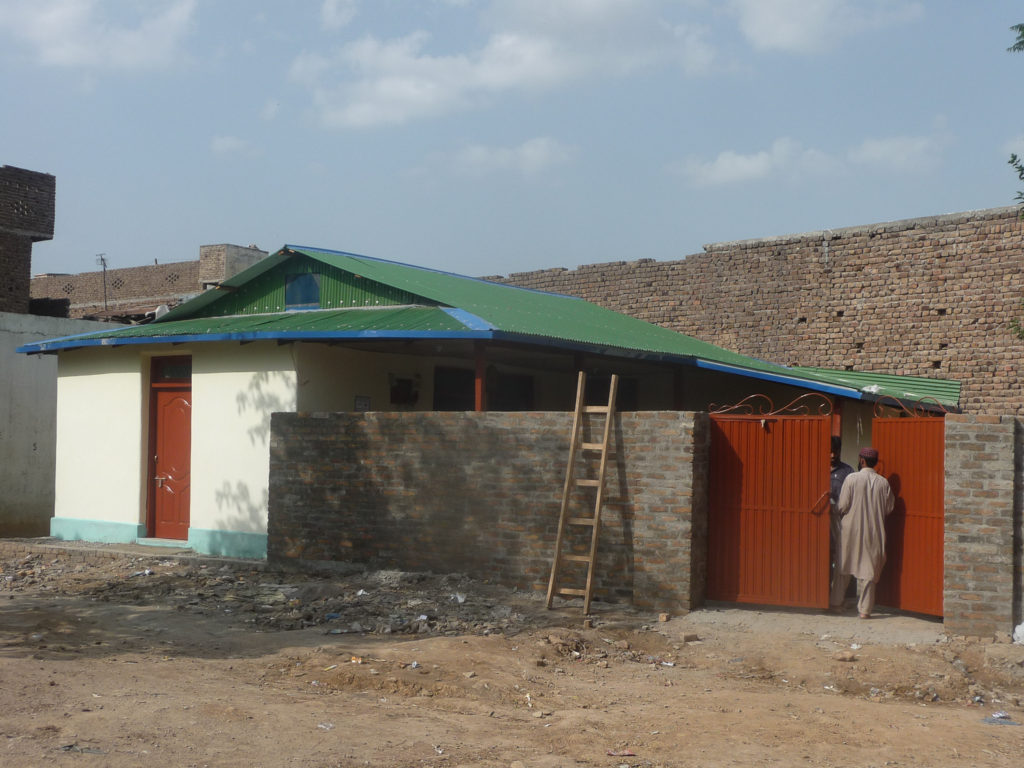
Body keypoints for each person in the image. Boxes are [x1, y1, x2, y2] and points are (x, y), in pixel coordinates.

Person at [829, 446, 895, 618]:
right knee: (869, 572)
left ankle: (836, 603)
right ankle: (865, 611)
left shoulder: (851, 479)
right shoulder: (883, 483)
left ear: (862, 460)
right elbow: (889, 508)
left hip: (850, 530)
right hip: (874, 532)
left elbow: (842, 506)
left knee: (843, 566)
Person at [828, 436, 854, 584]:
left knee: (841, 557)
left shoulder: (847, 471)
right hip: (820, 521)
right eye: (830, 451)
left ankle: (841, 594)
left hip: (840, 523)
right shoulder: (815, 467)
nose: (833, 455)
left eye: (835, 452)